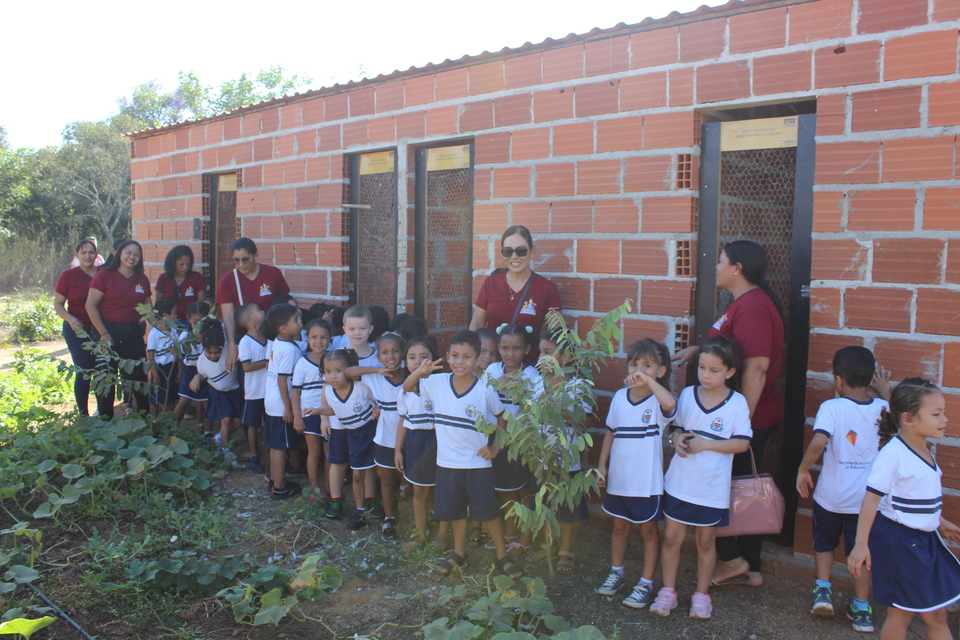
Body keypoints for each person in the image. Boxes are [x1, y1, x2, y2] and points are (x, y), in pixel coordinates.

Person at [672, 240, 785, 587]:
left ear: (737, 268)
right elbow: (733, 350)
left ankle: (733, 559)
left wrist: (741, 427)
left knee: (730, 490)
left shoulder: (751, 307)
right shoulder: (744, 303)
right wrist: (700, 350)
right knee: (742, 487)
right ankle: (749, 567)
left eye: (720, 262)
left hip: (744, 418)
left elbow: (755, 368)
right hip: (740, 417)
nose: (716, 267)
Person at [403, 330, 522, 580]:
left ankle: (502, 555)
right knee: (455, 511)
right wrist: (420, 371)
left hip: (478, 463)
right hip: (447, 463)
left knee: (488, 511)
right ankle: (459, 553)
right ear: (446, 357)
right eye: (455, 356)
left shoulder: (484, 390)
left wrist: (495, 448)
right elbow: (407, 386)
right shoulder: (435, 383)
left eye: (467, 357)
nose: (460, 362)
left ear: (478, 359)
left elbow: (502, 417)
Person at [848, 379, 960, 640]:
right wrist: (861, 544)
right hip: (901, 543)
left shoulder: (924, 448)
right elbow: (872, 500)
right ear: (909, 419)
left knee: (936, 614)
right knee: (900, 615)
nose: (944, 419)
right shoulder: (893, 455)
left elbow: (912, 497)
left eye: (943, 412)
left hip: (924, 541)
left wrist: (938, 521)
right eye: (936, 414)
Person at [652, 336, 752, 620]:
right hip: (680, 483)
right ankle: (668, 592)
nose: (706, 375)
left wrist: (706, 444)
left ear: (730, 372)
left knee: (706, 542)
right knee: (671, 538)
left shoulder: (737, 404)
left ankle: (701, 595)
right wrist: (677, 440)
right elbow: (676, 429)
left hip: (711, 487)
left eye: (714, 370)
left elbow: (742, 443)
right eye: (702, 368)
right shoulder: (687, 395)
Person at [796, 346, 889, 632]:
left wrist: (802, 470)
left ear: (838, 380)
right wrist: (886, 394)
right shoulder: (884, 408)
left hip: (831, 497)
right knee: (862, 553)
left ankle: (823, 592)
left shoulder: (831, 408)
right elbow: (899, 427)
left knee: (824, 543)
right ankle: (862, 608)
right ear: (871, 379)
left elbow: (818, 443)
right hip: (867, 503)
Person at [596, 338, 676, 605]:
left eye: (647, 366)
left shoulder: (657, 401)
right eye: (633, 365)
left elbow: (669, 403)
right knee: (619, 528)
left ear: (660, 372)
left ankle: (646, 583)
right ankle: (616, 572)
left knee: (648, 532)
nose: (638, 370)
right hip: (620, 480)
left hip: (646, 484)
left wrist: (650, 382)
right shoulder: (620, 397)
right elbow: (611, 433)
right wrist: (602, 465)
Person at [523, 328, 596, 573]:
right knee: (543, 503)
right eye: (540, 352)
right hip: (541, 458)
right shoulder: (534, 381)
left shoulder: (576, 385)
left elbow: (584, 420)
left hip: (567, 460)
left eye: (548, 353)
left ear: (563, 357)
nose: (542, 358)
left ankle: (565, 549)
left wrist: (558, 406)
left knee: (568, 507)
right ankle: (548, 545)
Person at [485, 323, 541, 554]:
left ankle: (524, 534)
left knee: (524, 489)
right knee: (505, 487)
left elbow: (538, 401)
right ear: (498, 348)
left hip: (522, 440)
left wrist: (514, 385)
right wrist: (501, 383)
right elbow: (482, 392)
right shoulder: (491, 370)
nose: (510, 354)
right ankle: (510, 529)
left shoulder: (531, 373)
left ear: (527, 349)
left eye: (516, 348)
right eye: (505, 348)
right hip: (496, 437)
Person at [346, 331, 406, 541]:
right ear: (378, 356)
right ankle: (389, 517)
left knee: (409, 478)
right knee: (386, 479)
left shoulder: (410, 376)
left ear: (403, 353)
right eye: (385, 352)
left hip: (410, 438)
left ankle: (417, 514)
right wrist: (377, 369)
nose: (391, 356)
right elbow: (349, 372)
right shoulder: (375, 377)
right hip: (385, 439)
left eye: (395, 351)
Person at [469, 226, 562, 357]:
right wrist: (470, 355)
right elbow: (477, 324)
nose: (514, 256)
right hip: (493, 365)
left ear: (531, 251)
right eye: (508, 251)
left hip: (528, 367)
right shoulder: (491, 283)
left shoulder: (546, 288)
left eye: (521, 251)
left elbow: (556, 333)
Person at [85, 239, 152, 418]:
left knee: (139, 377)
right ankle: (105, 420)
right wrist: (104, 334)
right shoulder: (104, 276)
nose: (132, 257)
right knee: (107, 378)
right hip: (108, 333)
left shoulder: (142, 279)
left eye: (136, 254)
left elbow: (148, 311)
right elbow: (90, 306)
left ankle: (145, 420)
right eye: (128, 253)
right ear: (119, 253)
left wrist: (167, 330)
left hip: (134, 336)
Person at [316, 349, 379, 530]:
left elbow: (377, 402)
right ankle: (343, 502)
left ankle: (370, 499)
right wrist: (321, 416)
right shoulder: (328, 389)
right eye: (328, 372)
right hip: (342, 429)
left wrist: (377, 410)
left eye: (338, 371)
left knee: (367, 467)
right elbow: (329, 408)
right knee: (342, 463)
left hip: (365, 430)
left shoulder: (362, 386)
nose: (333, 376)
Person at [395, 335, 446, 547]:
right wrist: (398, 449)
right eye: (412, 357)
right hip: (416, 442)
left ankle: (442, 530)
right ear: (405, 362)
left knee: (440, 487)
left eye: (424, 357)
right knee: (419, 490)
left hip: (441, 439)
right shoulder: (405, 389)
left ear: (435, 359)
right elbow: (403, 421)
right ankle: (420, 532)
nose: (418, 361)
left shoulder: (442, 384)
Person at [216, 238, 291, 371]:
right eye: (236, 260)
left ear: (255, 256)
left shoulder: (272, 274)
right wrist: (232, 346)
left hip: (271, 336)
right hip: (243, 339)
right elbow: (228, 316)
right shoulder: (227, 281)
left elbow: (285, 304)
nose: (241, 264)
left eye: (245, 259)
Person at [54, 238, 100, 415]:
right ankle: (83, 414)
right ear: (76, 255)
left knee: (101, 370)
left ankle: (102, 411)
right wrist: (70, 319)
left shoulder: (102, 274)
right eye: (84, 252)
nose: (88, 256)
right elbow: (58, 304)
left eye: (91, 252)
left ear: (96, 255)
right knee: (84, 370)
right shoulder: (68, 276)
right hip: (77, 330)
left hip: (100, 330)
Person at [262, 303, 303, 499]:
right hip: (281, 405)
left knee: (275, 446)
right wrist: (289, 408)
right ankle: (279, 487)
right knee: (280, 447)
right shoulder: (289, 350)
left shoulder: (278, 342)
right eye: (296, 320)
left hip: (271, 402)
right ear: (283, 329)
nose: (301, 323)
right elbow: (282, 380)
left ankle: (274, 479)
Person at [291, 318, 333, 501]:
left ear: (330, 339)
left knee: (329, 453)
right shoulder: (302, 363)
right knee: (313, 452)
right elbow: (296, 393)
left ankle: (331, 488)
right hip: (309, 414)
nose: (319, 341)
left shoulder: (333, 360)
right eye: (314, 337)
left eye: (323, 337)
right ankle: (315, 489)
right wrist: (296, 417)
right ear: (307, 338)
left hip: (330, 413)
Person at [191, 326, 243, 462]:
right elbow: (202, 375)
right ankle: (226, 452)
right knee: (225, 420)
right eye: (210, 353)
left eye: (217, 352)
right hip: (218, 393)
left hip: (234, 390)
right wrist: (197, 378)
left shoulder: (230, 350)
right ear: (204, 349)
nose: (213, 355)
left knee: (237, 422)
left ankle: (219, 438)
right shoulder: (201, 361)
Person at [237, 303, 269, 474]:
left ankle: (274, 454)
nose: (262, 310)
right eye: (258, 309)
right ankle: (254, 455)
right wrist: (266, 364)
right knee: (252, 424)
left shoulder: (268, 339)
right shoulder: (245, 342)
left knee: (270, 422)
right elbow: (246, 367)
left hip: (270, 391)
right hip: (254, 392)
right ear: (250, 319)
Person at [174, 302, 213, 428]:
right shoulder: (184, 336)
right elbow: (180, 357)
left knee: (207, 402)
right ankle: (171, 428)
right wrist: (180, 371)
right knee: (183, 401)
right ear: (188, 319)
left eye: (202, 322)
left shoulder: (209, 337)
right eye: (195, 322)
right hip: (188, 371)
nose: (198, 326)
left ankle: (208, 433)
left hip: (206, 371)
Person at [155, 245, 207, 327]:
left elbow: (201, 304)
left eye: (188, 264)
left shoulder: (196, 277)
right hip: (170, 323)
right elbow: (158, 305)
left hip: (191, 323)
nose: (185, 267)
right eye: (181, 264)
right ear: (173, 263)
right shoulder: (163, 278)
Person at [146, 300, 178, 416]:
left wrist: (178, 371)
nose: (176, 316)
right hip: (159, 369)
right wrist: (155, 375)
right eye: (174, 313)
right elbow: (151, 357)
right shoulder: (154, 334)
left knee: (170, 396)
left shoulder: (173, 331)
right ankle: (154, 421)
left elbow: (178, 353)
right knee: (155, 398)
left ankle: (169, 421)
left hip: (171, 367)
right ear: (165, 315)